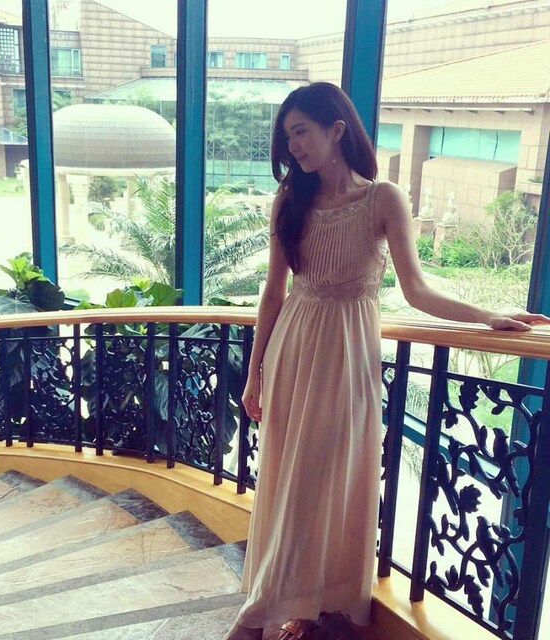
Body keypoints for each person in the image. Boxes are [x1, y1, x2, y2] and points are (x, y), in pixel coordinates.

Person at [224, 82, 549, 640]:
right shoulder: (290, 199)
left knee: (332, 478)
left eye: (301, 132)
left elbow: (417, 290)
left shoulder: (383, 200)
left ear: (337, 130)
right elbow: (273, 292)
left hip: (347, 357)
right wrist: (254, 372)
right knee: (289, 479)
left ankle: (300, 604)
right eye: (287, 137)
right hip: (293, 350)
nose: (292, 146)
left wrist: (487, 315)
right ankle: (268, 606)